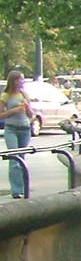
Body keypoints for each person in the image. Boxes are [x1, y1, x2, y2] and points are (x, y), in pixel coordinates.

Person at [3, 70, 39, 198]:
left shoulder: (24, 94)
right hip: (11, 129)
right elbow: (1, 114)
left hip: (25, 129)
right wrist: (14, 110)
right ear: (13, 81)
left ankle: (23, 187)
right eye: (20, 79)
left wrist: (28, 108)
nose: (22, 82)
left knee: (22, 158)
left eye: (23, 79)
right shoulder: (6, 96)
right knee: (14, 158)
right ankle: (16, 190)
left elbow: (30, 114)